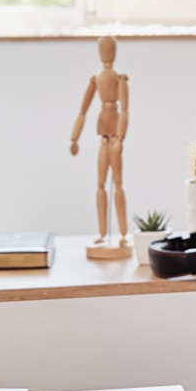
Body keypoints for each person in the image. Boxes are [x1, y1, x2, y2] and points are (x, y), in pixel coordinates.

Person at [70, 35, 129, 242]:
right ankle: (103, 233)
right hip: (103, 136)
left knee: (118, 184)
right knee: (101, 183)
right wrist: (74, 137)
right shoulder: (96, 79)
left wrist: (120, 137)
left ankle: (122, 233)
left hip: (114, 138)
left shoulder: (119, 78)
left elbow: (125, 109)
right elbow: (83, 110)